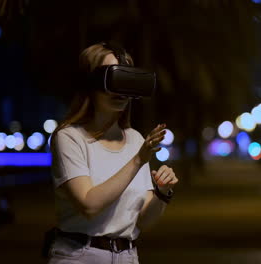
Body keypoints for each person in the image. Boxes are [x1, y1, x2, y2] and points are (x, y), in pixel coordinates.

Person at [45, 42, 179, 264]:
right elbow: (89, 205)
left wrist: (162, 194)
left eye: (128, 79)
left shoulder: (136, 139)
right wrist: (137, 160)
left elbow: (143, 221)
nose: (120, 90)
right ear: (90, 83)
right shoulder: (69, 137)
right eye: (113, 78)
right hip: (80, 255)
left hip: (127, 255)